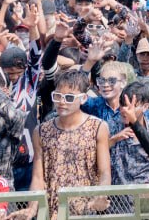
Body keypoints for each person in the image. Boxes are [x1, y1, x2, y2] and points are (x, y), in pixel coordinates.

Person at [30, 68, 111, 216]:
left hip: (87, 211)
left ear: (83, 98)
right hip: (52, 211)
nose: (62, 102)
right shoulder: (41, 131)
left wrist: (101, 195)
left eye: (69, 97)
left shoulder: (98, 127)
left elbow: (104, 172)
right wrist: (32, 209)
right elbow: (37, 177)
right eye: (57, 96)